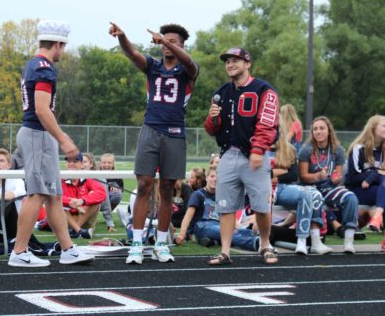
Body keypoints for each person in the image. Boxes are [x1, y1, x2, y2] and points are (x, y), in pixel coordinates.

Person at [109, 22, 199, 264]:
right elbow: (132, 54)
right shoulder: (153, 66)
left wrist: (166, 41)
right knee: (144, 184)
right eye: (164, 40)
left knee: (168, 188)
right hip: (151, 129)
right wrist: (123, 37)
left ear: (181, 46)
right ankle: (137, 243)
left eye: (173, 42)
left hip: (175, 132)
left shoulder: (188, 69)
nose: (167, 45)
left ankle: (161, 243)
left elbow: (189, 62)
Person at [9, 19, 94, 267]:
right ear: (58, 44)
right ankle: (20, 251)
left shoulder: (33, 65)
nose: (63, 52)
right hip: (37, 134)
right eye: (63, 47)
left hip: (38, 134)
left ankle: (67, 248)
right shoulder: (44, 67)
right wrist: (64, 139)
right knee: (36, 194)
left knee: (54, 195)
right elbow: (42, 110)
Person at [204, 47, 279, 265]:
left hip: (254, 155)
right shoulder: (221, 92)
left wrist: (257, 151)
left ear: (248, 64)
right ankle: (225, 251)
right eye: (227, 61)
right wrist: (212, 119)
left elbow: (267, 124)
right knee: (225, 206)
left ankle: (266, 245)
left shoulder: (264, 90)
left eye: (236, 60)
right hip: (228, 154)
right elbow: (211, 129)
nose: (230, 64)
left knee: (261, 206)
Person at [269, 118, 332, 255]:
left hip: (284, 187)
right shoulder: (257, 149)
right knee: (309, 193)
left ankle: (308, 241)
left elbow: (293, 176)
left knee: (312, 193)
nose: (273, 132)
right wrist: (279, 171)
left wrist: (272, 173)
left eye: (275, 129)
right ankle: (307, 240)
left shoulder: (288, 148)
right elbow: (257, 174)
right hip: (266, 189)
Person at [298, 116, 359, 253]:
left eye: (322, 128)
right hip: (311, 188)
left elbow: (337, 176)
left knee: (351, 198)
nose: (318, 132)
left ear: (329, 131)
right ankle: (316, 241)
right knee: (315, 198)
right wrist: (317, 176)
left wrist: (336, 178)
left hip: (330, 189)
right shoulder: (306, 150)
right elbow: (302, 177)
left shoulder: (337, 150)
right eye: (315, 129)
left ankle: (349, 241)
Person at [345, 115, 385, 248]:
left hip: (379, 191)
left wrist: (372, 176)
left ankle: (377, 216)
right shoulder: (358, 148)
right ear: (373, 128)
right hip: (357, 192)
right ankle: (378, 219)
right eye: (384, 126)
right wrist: (375, 173)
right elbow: (354, 178)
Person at [62, 152, 106, 239]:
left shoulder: (87, 179)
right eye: (68, 161)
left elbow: (102, 193)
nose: (71, 164)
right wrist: (70, 201)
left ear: (82, 164)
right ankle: (79, 231)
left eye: (75, 161)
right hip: (66, 218)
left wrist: (82, 201)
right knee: (56, 204)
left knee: (95, 201)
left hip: (82, 217)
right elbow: (51, 196)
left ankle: (74, 230)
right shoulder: (60, 179)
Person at [98, 153, 123, 231]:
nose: (106, 165)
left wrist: (116, 187)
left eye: (109, 163)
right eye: (104, 162)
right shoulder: (96, 174)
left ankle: (109, 211)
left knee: (117, 194)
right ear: (100, 164)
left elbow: (122, 188)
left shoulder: (116, 175)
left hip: (109, 197)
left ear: (113, 164)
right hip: (98, 198)